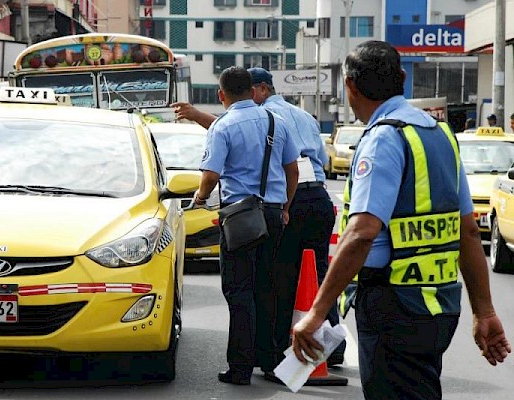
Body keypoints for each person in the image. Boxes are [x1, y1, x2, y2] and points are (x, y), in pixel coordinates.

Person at [292, 40, 510, 400]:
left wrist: (316, 314)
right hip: (440, 305)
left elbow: (361, 233)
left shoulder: (384, 139)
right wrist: (484, 312)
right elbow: (469, 232)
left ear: (350, 85)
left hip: (393, 306)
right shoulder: (440, 135)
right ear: (403, 78)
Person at [191, 66, 300, 385]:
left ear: (221, 95)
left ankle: (240, 367)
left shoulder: (223, 125)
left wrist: (199, 198)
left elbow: (210, 175)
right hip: (273, 213)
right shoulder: (275, 121)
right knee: (268, 289)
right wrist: (285, 207)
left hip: (240, 216)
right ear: (252, 91)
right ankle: (269, 361)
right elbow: (292, 170)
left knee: (239, 291)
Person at [247, 67, 345, 375]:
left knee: (282, 278)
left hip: (293, 198)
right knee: (319, 277)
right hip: (319, 198)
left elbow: (286, 166)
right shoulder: (303, 116)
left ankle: (275, 352)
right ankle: (333, 347)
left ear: (262, 89)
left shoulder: (265, 116)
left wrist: (284, 207)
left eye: (249, 92)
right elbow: (316, 157)